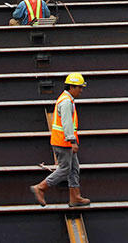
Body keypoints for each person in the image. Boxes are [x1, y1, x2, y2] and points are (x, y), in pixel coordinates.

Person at [30, 73, 91, 207]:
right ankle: (41, 187)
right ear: (71, 87)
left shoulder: (67, 100)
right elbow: (67, 123)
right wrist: (72, 141)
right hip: (63, 142)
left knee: (74, 168)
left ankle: (75, 197)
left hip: (64, 142)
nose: (81, 90)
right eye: (79, 87)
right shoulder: (66, 102)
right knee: (64, 169)